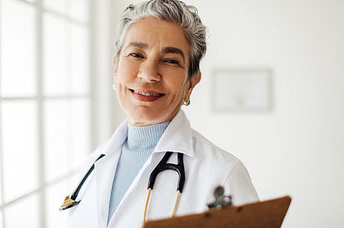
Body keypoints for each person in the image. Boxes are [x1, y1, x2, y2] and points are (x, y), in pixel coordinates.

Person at [63, 0, 259, 227]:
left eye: (170, 61)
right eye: (136, 55)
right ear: (115, 68)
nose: (148, 74)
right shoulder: (92, 165)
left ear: (191, 83)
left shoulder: (223, 175)